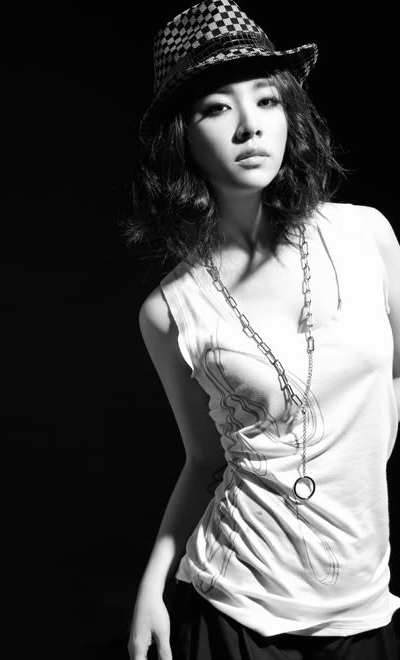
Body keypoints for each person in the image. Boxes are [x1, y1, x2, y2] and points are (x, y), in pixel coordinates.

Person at [123, 1, 400, 658]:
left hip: (365, 602)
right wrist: (153, 584)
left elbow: (390, 387)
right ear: (183, 139)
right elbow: (204, 461)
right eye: (217, 109)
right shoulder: (171, 309)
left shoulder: (367, 235)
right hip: (235, 605)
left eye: (267, 100)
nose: (249, 125)